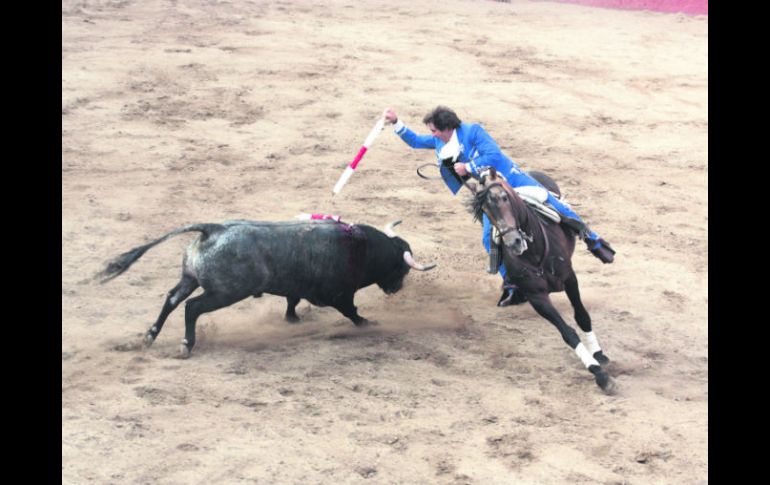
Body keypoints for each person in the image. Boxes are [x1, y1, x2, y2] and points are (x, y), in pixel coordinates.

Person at [383, 106, 615, 307]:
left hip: (512, 180)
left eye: (434, 129)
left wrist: (469, 167)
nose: (431, 134)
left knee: (552, 203)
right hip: (490, 192)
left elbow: (493, 154)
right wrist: (396, 122)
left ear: (447, 128)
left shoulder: (472, 131)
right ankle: (512, 282)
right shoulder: (438, 141)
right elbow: (415, 140)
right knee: (488, 237)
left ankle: (592, 239)